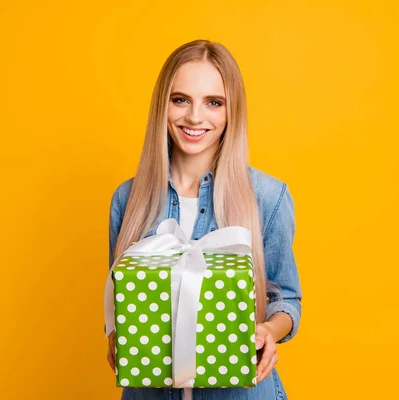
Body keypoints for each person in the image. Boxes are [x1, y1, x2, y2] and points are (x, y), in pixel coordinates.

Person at [106, 39, 302, 400]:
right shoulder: (128, 199)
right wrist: (119, 338)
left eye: (214, 102)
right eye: (180, 99)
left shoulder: (268, 197)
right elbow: (120, 301)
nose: (195, 117)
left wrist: (269, 331)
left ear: (232, 112)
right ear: (162, 105)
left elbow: (287, 298)